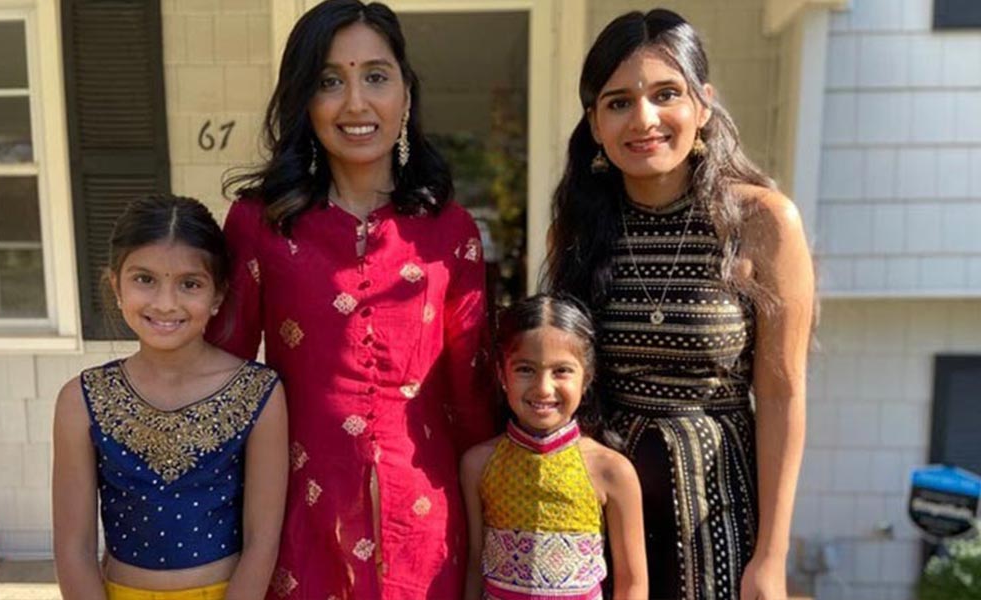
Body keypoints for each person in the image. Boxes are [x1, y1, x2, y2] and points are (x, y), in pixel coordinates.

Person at [207, 1, 495, 597]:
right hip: (299, 525)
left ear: (406, 94)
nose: (356, 103)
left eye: (376, 76)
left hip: (428, 527)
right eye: (329, 81)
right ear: (304, 101)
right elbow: (223, 377)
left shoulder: (450, 232)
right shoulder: (262, 225)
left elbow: (471, 397)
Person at [544, 9, 814, 600]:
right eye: (618, 102)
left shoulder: (763, 222)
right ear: (594, 122)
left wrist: (771, 557)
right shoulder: (582, 227)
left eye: (666, 94)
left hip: (718, 512)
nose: (643, 119)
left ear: (704, 105)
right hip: (602, 512)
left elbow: (781, 394)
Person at [52, 195, 289, 600]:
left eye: (190, 284)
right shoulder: (82, 399)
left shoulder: (258, 393)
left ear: (217, 295)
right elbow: (73, 549)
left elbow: (261, 541)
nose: (165, 303)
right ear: (116, 285)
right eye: (144, 279)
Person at [460, 294, 648, 600]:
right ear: (501, 373)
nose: (543, 388)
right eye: (525, 369)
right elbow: (474, 564)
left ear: (586, 377)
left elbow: (632, 583)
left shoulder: (612, 471)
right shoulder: (478, 464)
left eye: (561, 371)